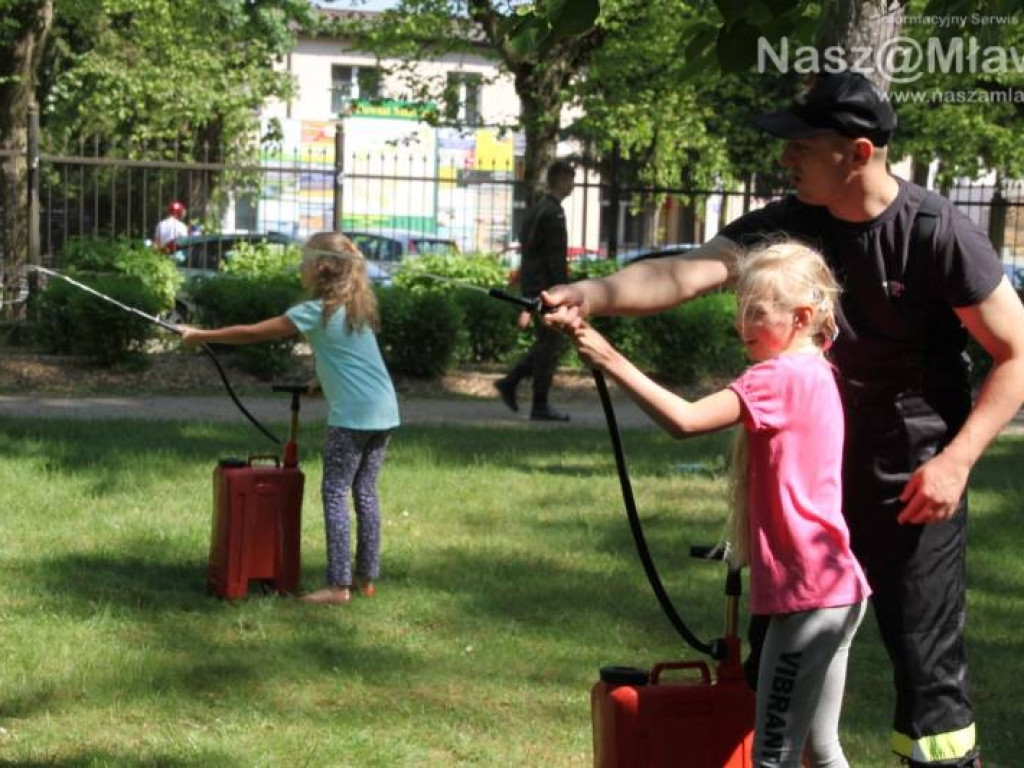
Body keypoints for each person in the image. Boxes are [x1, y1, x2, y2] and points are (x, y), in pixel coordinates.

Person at [546, 71, 1024, 768]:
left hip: (915, 485)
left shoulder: (936, 232)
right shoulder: (792, 221)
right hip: (815, 492)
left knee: (928, 678)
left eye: (802, 144)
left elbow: (1016, 353)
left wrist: (957, 461)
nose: (786, 157)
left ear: (858, 153)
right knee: (784, 676)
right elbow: (686, 272)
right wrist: (589, 292)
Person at [573, 241, 870, 768]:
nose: (742, 324)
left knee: (773, 756)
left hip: (807, 598)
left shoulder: (777, 377)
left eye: (757, 312)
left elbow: (685, 421)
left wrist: (608, 357)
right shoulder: (818, 371)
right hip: (838, 591)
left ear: (802, 317)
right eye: (741, 310)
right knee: (819, 750)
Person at [182, 231, 400, 606]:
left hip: (351, 418)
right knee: (365, 492)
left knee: (335, 493)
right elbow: (352, 358)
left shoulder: (315, 312)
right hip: (384, 412)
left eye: (304, 261)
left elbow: (252, 333)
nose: (300, 268)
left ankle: (338, 587)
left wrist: (200, 335)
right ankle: (366, 578)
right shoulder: (356, 308)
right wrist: (321, 381)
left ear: (322, 267)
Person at [495, 159, 576, 421]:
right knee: (550, 344)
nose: (573, 185)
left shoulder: (535, 210)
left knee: (548, 342)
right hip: (547, 289)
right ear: (560, 180)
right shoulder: (553, 213)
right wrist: (563, 291)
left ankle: (514, 383)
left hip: (534, 285)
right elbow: (554, 258)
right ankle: (535, 400)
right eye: (570, 179)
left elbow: (529, 252)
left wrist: (528, 292)